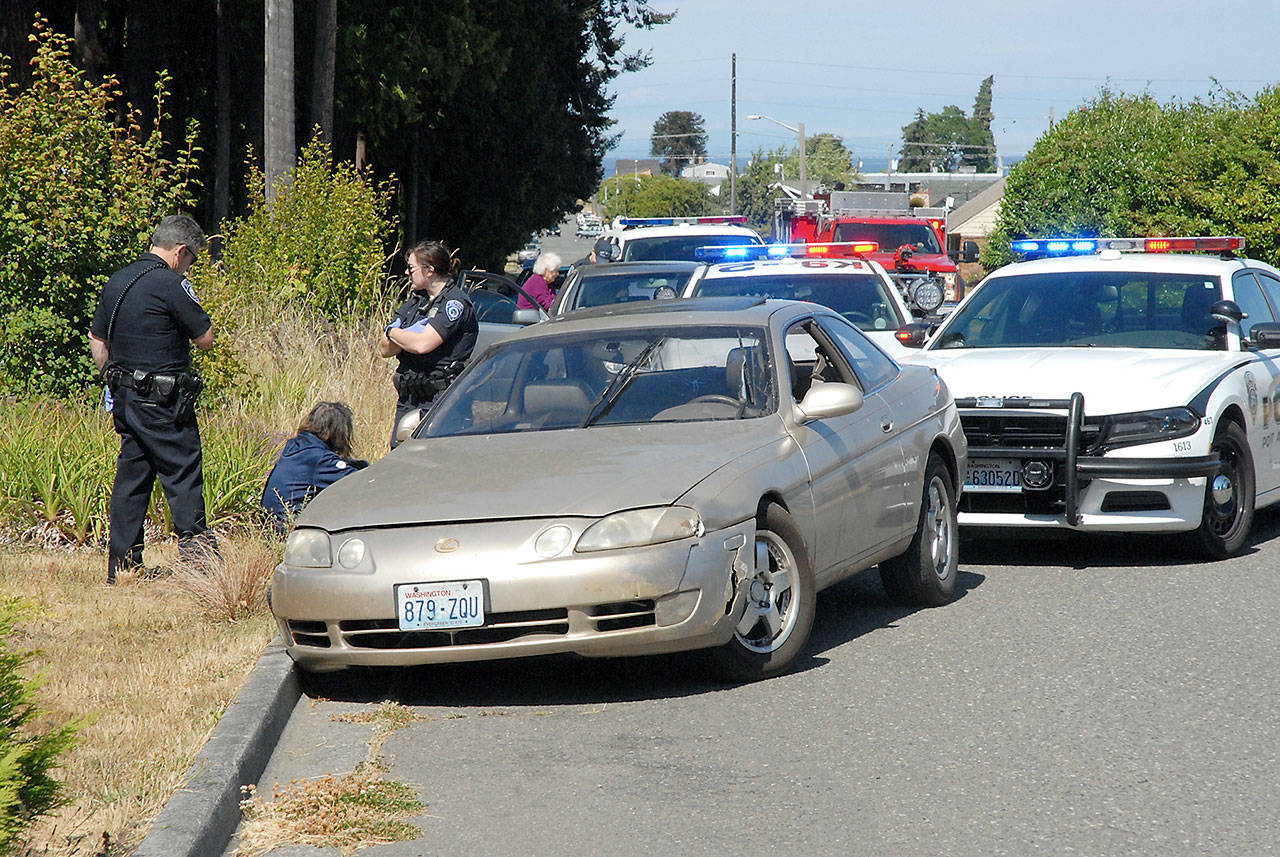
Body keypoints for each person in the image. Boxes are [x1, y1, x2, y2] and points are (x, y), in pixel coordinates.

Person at [88, 214, 215, 584]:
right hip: (163, 401)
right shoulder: (171, 283)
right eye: (191, 258)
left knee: (132, 478)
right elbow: (205, 337)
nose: (189, 265)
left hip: (125, 396)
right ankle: (200, 564)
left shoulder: (118, 280)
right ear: (179, 251)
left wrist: (115, 377)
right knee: (183, 472)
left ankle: (123, 566)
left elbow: (98, 342)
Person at [379, 240, 478, 448]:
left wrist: (394, 332)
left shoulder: (454, 303)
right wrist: (398, 334)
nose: (407, 273)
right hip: (409, 397)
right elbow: (385, 349)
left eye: (411, 268)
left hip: (441, 400)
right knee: (400, 460)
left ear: (429, 270)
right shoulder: (416, 303)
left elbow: (422, 345)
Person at [261, 402, 369, 532]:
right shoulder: (320, 460)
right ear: (332, 433)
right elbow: (360, 481)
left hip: (270, 527)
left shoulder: (296, 446)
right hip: (289, 533)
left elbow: (335, 464)